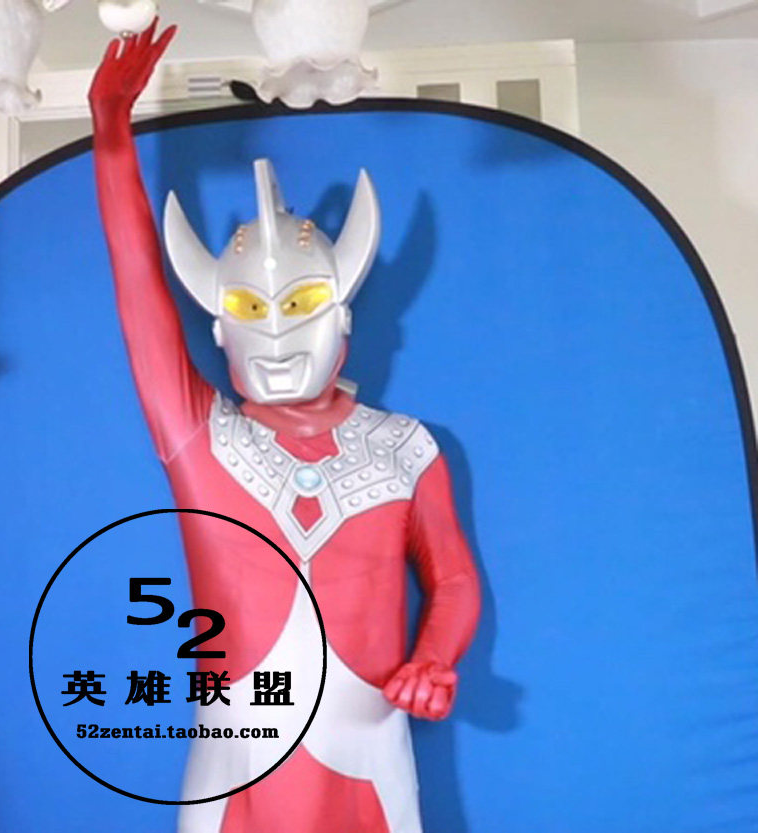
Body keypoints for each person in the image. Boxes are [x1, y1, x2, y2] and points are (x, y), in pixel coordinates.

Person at [89, 19, 481, 833]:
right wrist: (112, 139)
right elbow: (138, 295)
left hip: (372, 755)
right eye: (248, 307)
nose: (275, 333)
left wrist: (435, 658)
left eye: (300, 304)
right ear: (219, 326)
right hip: (236, 765)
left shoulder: (406, 448)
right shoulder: (202, 439)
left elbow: (452, 579)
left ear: (341, 317)